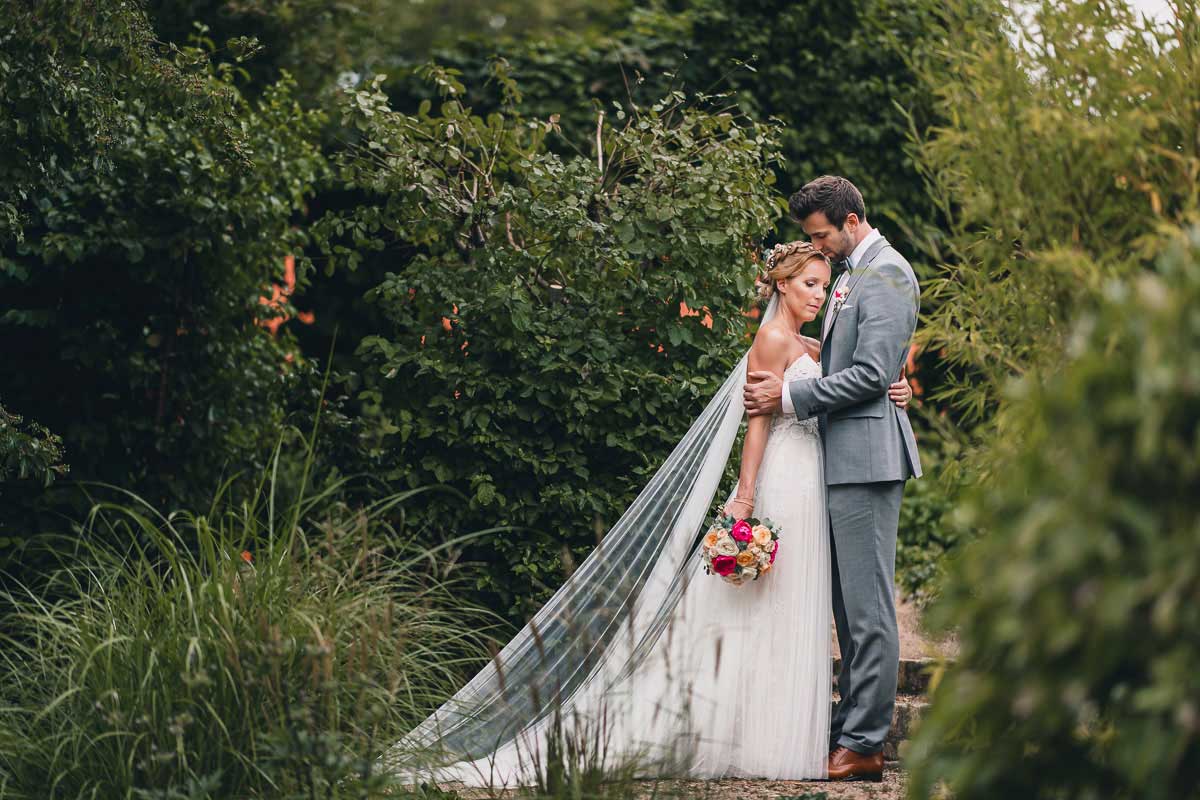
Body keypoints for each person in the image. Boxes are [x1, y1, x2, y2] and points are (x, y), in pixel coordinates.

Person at [389, 223, 914, 788]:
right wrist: (744, 495)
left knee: (797, 602)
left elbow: (859, 373)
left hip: (816, 480)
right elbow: (756, 428)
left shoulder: (811, 343)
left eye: (822, 285)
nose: (817, 293)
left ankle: (790, 726)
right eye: (808, 283)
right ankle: (744, 729)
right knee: (765, 603)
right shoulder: (770, 342)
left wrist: (894, 386)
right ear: (782, 286)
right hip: (785, 478)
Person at [744, 175, 921, 782]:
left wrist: (791, 396)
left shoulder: (888, 273)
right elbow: (859, 361)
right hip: (842, 456)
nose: (818, 245)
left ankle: (866, 742)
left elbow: (872, 372)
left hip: (868, 460)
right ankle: (850, 731)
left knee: (867, 609)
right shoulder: (851, 274)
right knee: (848, 611)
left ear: (850, 222)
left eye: (821, 234)